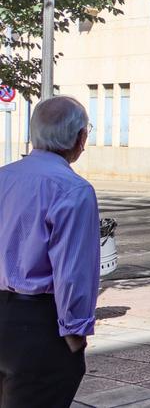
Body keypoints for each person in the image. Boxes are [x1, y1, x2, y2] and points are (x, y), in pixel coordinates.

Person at [0, 96, 98, 407]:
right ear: (79, 138)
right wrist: (75, 330)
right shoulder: (72, 189)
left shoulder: (3, 177)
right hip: (38, 322)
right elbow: (72, 270)